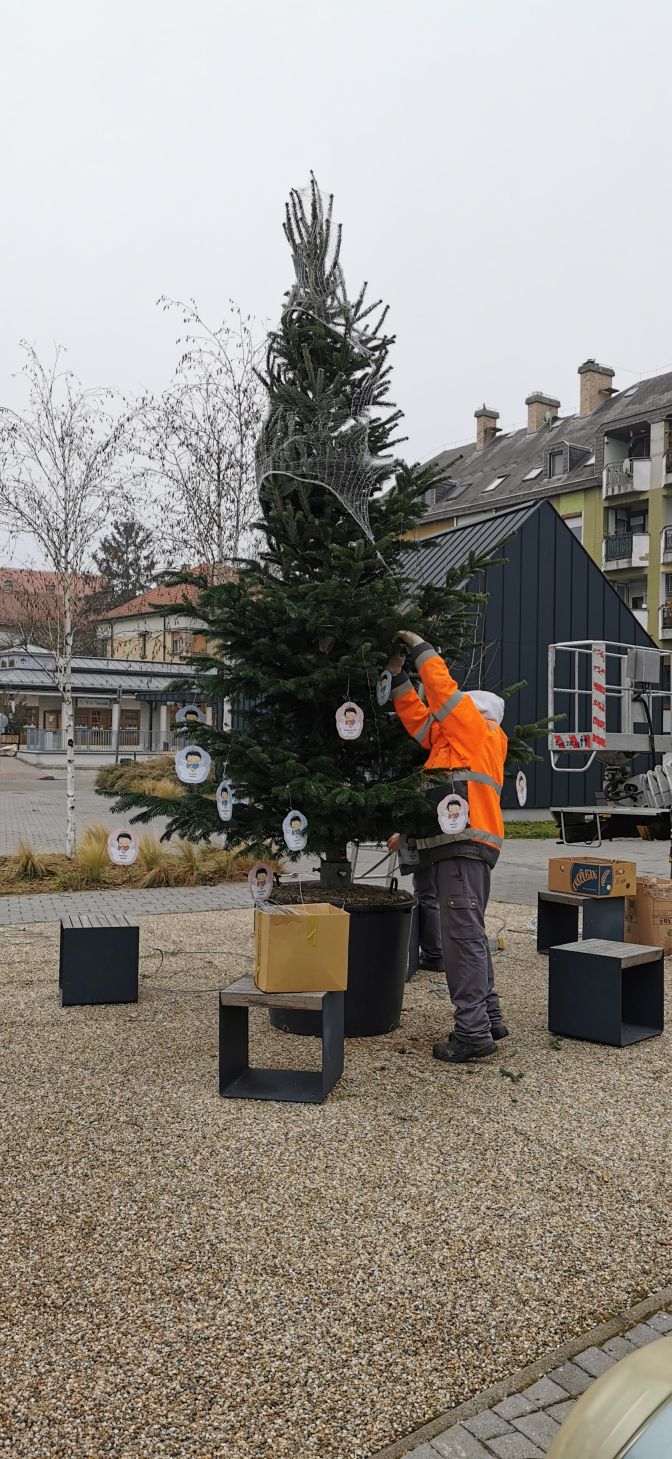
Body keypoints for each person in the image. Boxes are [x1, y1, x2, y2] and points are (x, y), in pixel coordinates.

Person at [387, 630, 508, 1065]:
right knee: (470, 933)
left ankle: (472, 1032)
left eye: (450, 715)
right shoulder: (452, 744)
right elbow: (419, 719)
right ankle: (489, 1017)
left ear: (470, 714)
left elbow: (440, 693)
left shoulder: (476, 731)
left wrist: (420, 648)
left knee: (461, 940)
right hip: (457, 848)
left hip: (464, 850)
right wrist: (397, 676)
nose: (440, 721)